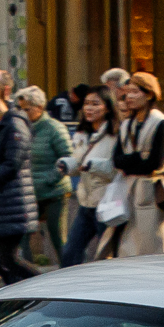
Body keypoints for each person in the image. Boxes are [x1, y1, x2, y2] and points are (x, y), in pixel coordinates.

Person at [0, 71, 39, 285]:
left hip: (12, 202)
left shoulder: (14, 123)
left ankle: (41, 284)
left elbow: (12, 164)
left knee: (6, 257)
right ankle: (17, 291)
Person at [111, 71, 164, 257]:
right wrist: (138, 159)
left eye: (134, 92)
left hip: (151, 192)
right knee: (126, 246)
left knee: (153, 244)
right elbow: (116, 159)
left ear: (149, 94)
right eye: (126, 93)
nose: (128, 97)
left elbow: (154, 162)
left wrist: (132, 162)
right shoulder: (125, 125)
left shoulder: (161, 123)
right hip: (128, 191)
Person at [62, 87, 123, 265]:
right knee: (70, 254)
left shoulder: (116, 134)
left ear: (108, 108)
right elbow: (78, 162)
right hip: (85, 203)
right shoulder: (81, 134)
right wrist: (67, 165)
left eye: (96, 104)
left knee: (108, 256)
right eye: (87, 104)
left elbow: (116, 168)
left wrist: (93, 166)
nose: (89, 108)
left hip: (107, 203)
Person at [17, 85, 72, 265]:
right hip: (29, 193)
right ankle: (25, 278)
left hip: (54, 192)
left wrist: (51, 178)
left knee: (58, 237)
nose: (23, 113)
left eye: (27, 109)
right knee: (24, 237)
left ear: (40, 107)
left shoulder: (54, 128)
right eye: (20, 109)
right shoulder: (20, 127)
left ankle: (68, 274)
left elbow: (68, 157)